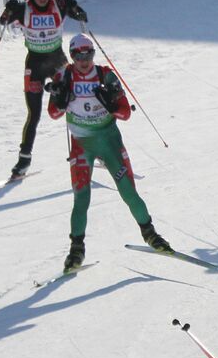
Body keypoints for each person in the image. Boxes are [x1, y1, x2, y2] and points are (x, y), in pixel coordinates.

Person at [48, 32, 172, 271]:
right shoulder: (63, 76)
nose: (84, 60)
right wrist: (61, 101)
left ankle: (150, 234)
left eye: (88, 55)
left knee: (129, 192)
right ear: (71, 56)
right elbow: (53, 113)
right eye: (78, 56)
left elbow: (125, 114)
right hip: (82, 144)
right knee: (81, 198)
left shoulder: (105, 75)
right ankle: (76, 250)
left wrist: (111, 103)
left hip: (109, 141)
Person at [0, 0, 87, 179]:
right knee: (34, 113)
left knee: (76, 101)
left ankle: (90, 147)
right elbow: (3, 21)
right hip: (35, 65)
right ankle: (24, 160)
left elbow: (82, 16)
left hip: (57, 61)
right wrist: (9, 9)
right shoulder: (23, 9)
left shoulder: (59, 5)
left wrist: (75, 7)